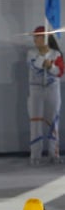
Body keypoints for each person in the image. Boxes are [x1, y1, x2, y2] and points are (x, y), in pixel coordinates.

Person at [27, 26, 64, 165]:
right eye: (34, 37)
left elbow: (59, 72)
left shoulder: (56, 54)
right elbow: (34, 65)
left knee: (52, 121)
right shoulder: (31, 53)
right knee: (36, 122)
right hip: (36, 90)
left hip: (52, 89)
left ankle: (54, 153)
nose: (34, 39)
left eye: (37, 36)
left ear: (45, 38)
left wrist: (51, 67)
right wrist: (44, 62)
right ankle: (35, 155)